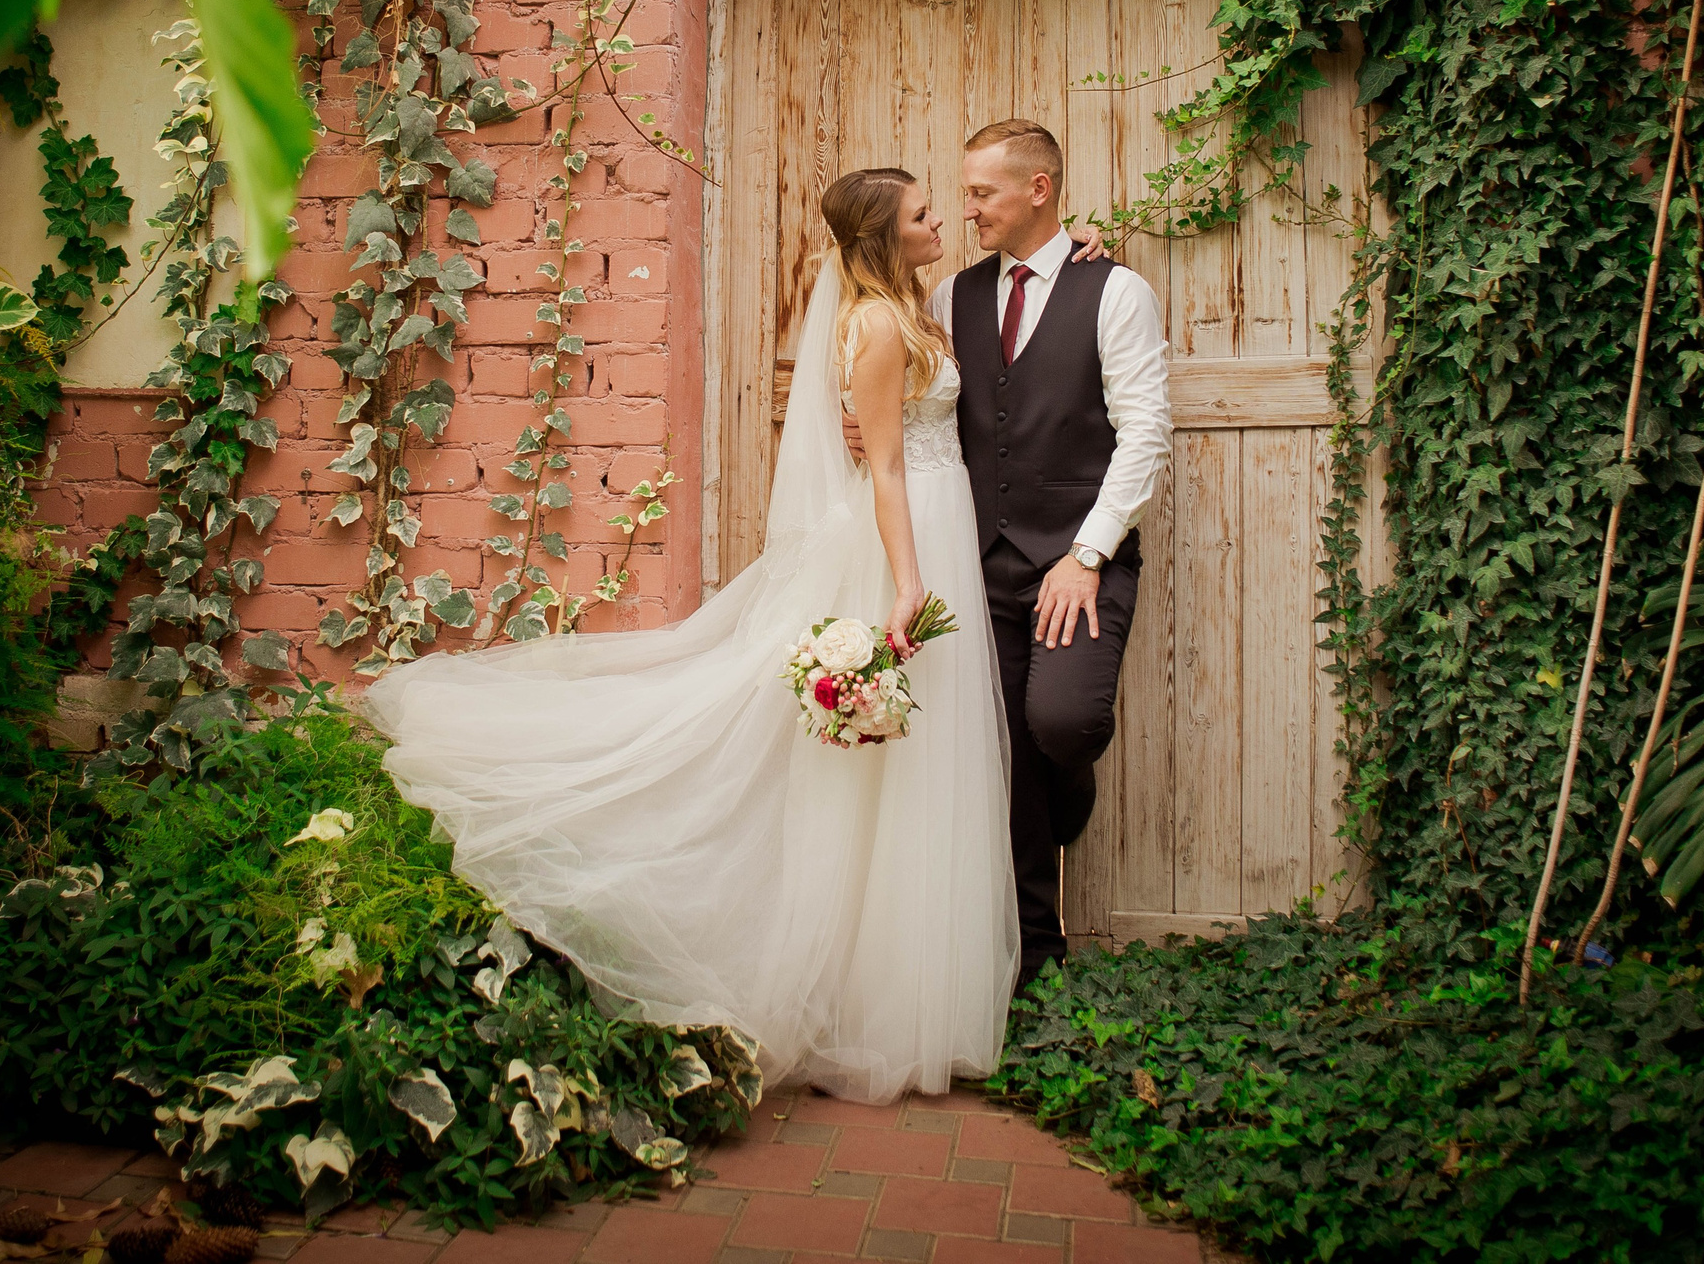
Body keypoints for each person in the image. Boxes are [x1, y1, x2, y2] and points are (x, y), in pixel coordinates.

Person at [366, 167, 1017, 1102]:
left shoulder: (916, 306)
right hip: (907, 543)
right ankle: (872, 1004)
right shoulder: (877, 325)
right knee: (883, 765)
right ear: (884, 238)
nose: (939, 218)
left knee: (922, 766)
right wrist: (909, 582)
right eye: (921, 214)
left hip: (940, 525)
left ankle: (913, 1000)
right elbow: (883, 467)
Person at [851, 120, 1171, 990]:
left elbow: (1146, 433)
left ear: (1039, 189)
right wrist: (860, 424)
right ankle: (1035, 950)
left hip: (1079, 561)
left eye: (982, 192)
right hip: (976, 561)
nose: (967, 209)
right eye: (962, 193)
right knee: (1002, 755)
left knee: (1060, 724)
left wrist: (1088, 555)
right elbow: (909, 390)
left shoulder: (1116, 293)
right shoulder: (949, 297)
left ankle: (1072, 794)